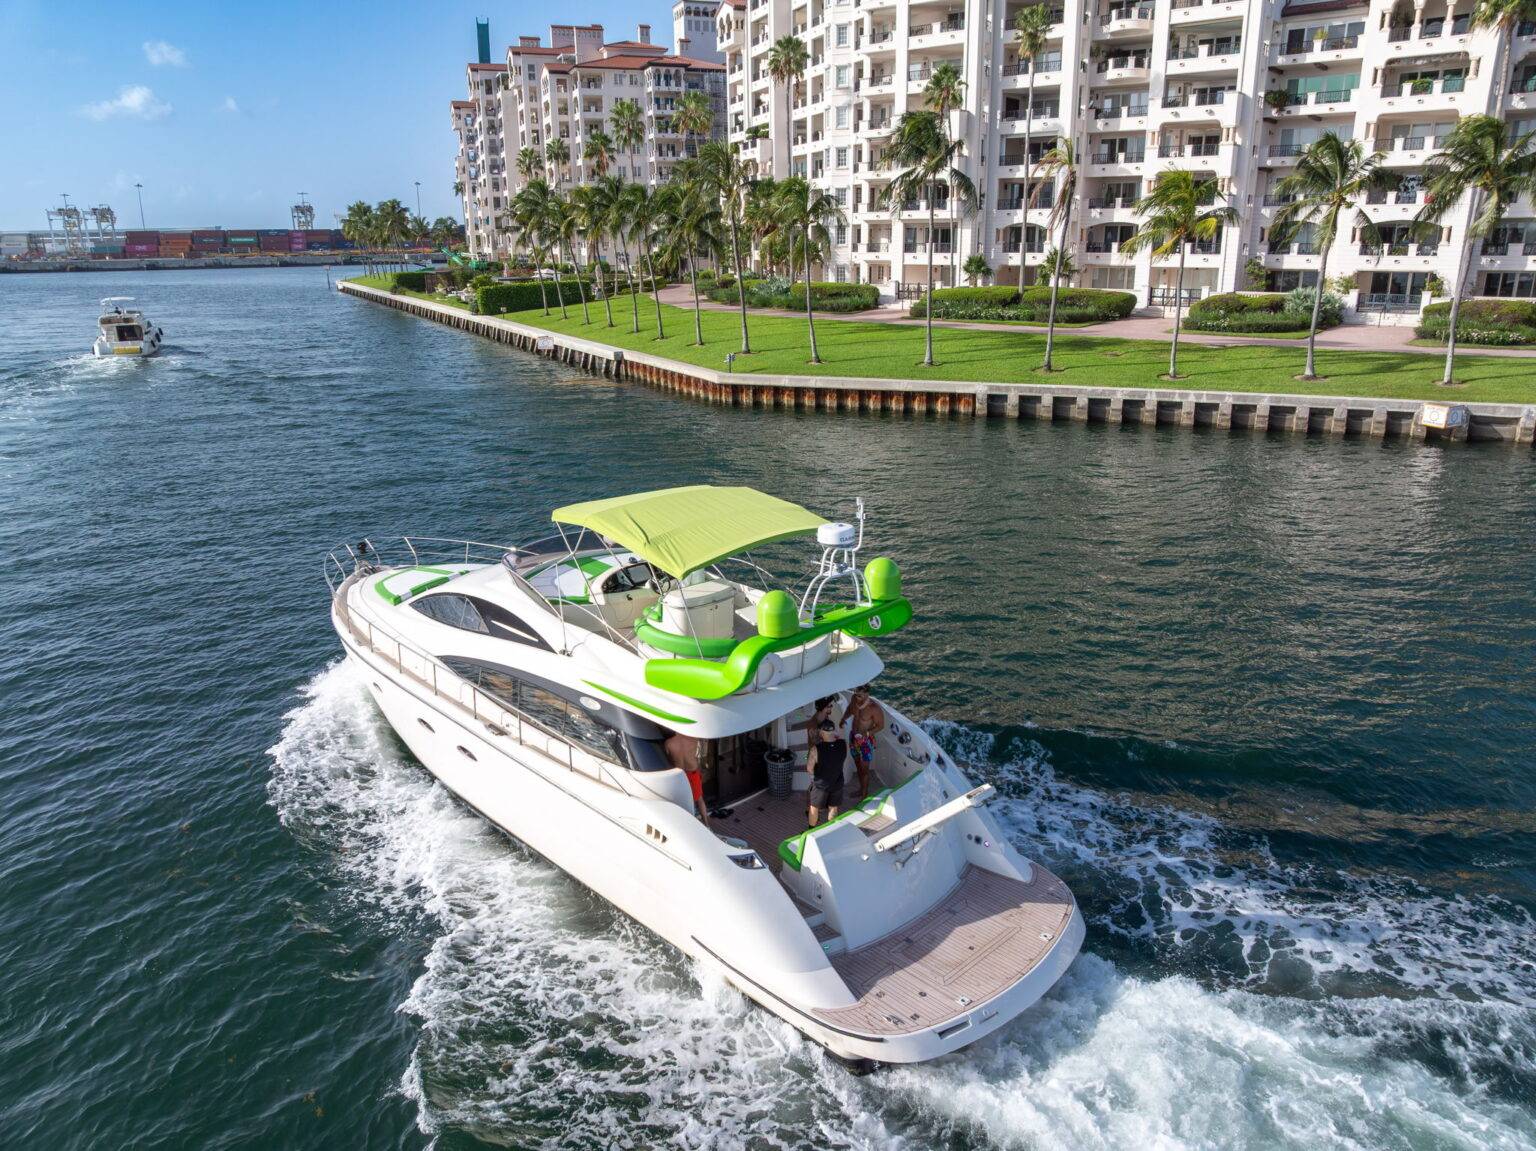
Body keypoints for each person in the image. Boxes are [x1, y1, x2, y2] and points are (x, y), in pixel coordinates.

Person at [845, 684, 885, 800]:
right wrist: (843, 718)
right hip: (853, 738)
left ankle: (864, 795)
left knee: (864, 770)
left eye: (860, 696)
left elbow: (881, 726)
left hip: (865, 742)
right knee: (858, 766)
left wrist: (867, 734)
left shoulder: (874, 708)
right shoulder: (854, 699)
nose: (857, 698)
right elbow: (850, 709)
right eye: (855, 694)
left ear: (867, 694)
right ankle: (861, 789)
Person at [806, 718, 848, 829]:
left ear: (821, 732)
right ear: (834, 730)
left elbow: (809, 768)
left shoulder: (815, 749)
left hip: (821, 785)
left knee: (814, 808)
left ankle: (811, 830)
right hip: (837, 783)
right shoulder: (843, 744)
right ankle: (831, 830)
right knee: (833, 808)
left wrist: (814, 776)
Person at [662, 729, 709, 826]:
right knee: (699, 799)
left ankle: (688, 825)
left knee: (683, 801)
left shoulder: (668, 743)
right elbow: (698, 752)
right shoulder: (693, 738)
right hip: (693, 772)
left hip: (679, 774)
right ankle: (707, 825)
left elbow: (669, 759)